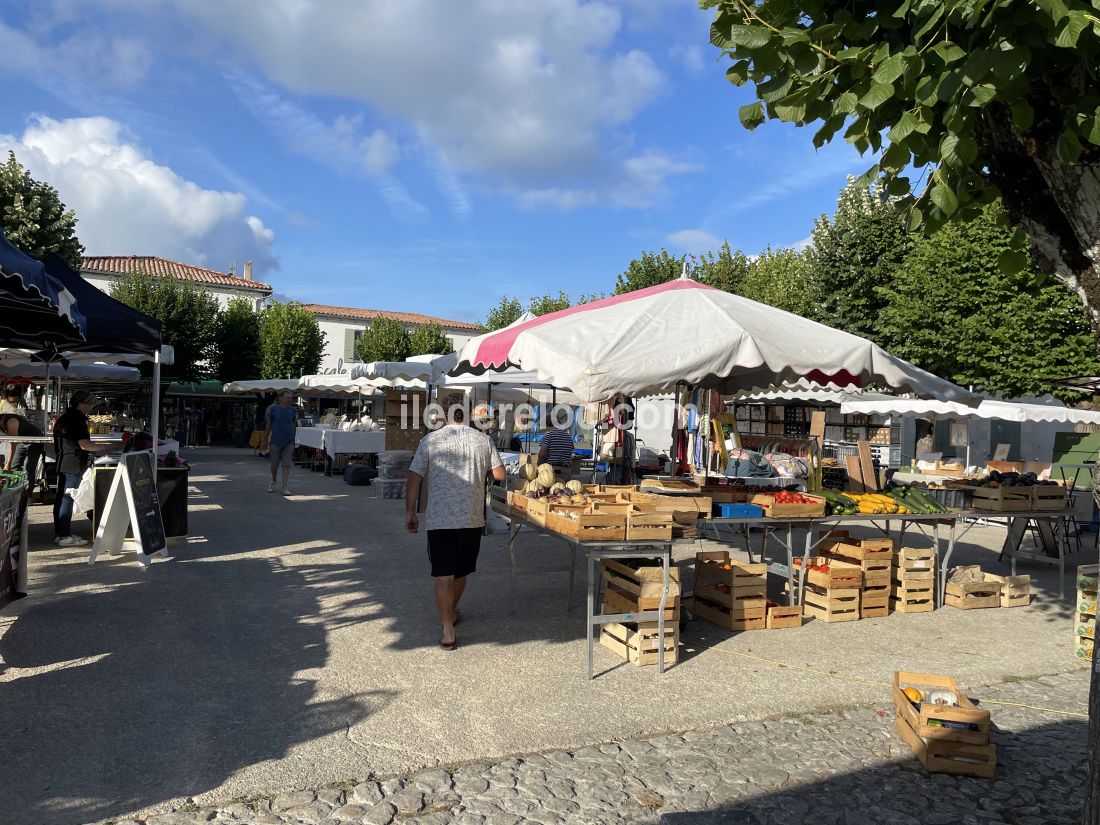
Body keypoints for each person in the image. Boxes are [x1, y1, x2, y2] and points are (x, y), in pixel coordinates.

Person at [405, 394, 505, 650]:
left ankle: (447, 628)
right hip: (471, 518)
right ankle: (452, 611)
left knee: (442, 574)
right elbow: (499, 474)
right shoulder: (483, 440)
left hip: (439, 518)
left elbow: (415, 476)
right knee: (461, 572)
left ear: (445, 413)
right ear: (469, 413)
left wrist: (410, 512)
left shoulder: (430, 440)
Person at [52, 390, 109, 546]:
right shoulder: (77, 419)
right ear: (81, 403)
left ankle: (60, 533)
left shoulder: (64, 418)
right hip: (73, 462)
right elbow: (84, 445)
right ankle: (65, 536)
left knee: (61, 499)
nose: (90, 407)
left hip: (63, 461)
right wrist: (105, 448)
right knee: (68, 498)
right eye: (88, 404)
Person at [1, 412, 44, 497]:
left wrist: (8, 463)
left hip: (35, 441)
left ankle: (28, 495)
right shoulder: (2, 423)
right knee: (14, 466)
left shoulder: (11, 421)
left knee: (29, 467)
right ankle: (13, 492)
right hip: (22, 440)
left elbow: (13, 443)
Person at [265, 389, 299, 495]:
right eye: (287, 398)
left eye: (291, 398)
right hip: (275, 441)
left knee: (286, 464)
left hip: (289, 442)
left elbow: (293, 425)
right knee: (274, 464)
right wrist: (265, 438)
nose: (289, 400)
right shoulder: (273, 409)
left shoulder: (293, 410)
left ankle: (285, 486)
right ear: (281, 398)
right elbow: (269, 424)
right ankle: (273, 481)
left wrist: (295, 438)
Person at [538, 415, 576, 481]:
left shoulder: (549, 435)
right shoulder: (568, 436)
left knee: (553, 490)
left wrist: (539, 466)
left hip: (553, 470)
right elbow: (570, 451)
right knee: (565, 490)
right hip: (567, 471)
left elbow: (542, 454)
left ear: (547, 425)